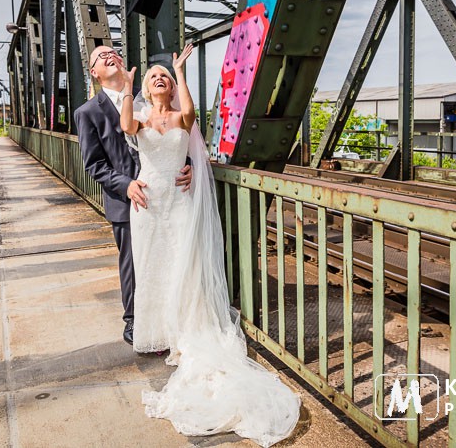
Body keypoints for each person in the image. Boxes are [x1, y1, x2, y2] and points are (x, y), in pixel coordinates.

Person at [119, 45, 301, 447]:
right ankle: (162, 331)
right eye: (155, 77)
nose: (160, 79)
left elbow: (191, 116)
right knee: (156, 265)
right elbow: (127, 126)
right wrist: (129, 88)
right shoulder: (141, 116)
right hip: (149, 203)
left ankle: (188, 333)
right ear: (147, 90)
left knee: (188, 264)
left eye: (163, 76)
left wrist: (181, 72)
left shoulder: (182, 115)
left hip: (180, 198)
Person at [74, 45, 192, 346]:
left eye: (113, 51)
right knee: (134, 262)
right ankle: (135, 321)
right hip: (127, 198)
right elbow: (94, 164)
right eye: (101, 56)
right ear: (93, 72)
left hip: (166, 195)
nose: (109, 55)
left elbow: (173, 137)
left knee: (171, 256)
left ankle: (173, 318)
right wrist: (125, 184)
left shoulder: (147, 99)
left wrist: (187, 166)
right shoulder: (87, 112)